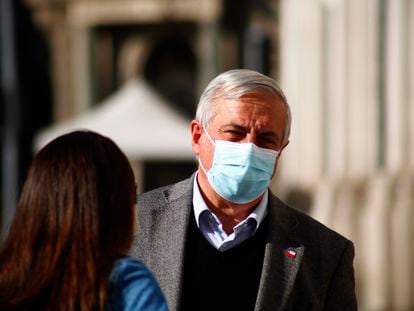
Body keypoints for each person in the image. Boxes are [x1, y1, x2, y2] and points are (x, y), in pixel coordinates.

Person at [131, 69, 357, 310]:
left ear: (280, 151)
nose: (249, 148)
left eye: (266, 139)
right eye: (234, 133)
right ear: (198, 137)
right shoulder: (131, 223)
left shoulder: (325, 253)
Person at [0, 130, 168, 311]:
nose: (136, 208)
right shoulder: (125, 282)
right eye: (132, 196)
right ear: (113, 205)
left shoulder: (9, 281)